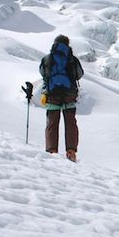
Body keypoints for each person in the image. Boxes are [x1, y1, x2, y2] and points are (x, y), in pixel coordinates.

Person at [39, 34, 84, 162]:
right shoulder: (72, 59)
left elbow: (43, 73)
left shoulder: (47, 59)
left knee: (52, 123)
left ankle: (52, 151)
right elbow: (79, 74)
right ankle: (71, 152)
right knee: (70, 123)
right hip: (69, 94)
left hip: (53, 94)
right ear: (67, 44)